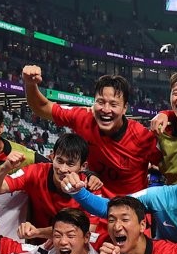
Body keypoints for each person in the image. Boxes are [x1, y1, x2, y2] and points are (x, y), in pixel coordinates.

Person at [23, 69, 160, 195]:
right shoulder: (83, 118)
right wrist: (30, 84)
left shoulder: (142, 137)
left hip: (127, 213)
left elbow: (171, 167)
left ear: (125, 108)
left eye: (113, 104)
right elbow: (42, 107)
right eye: (100, 102)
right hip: (89, 207)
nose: (106, 109)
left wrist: (167, 114)